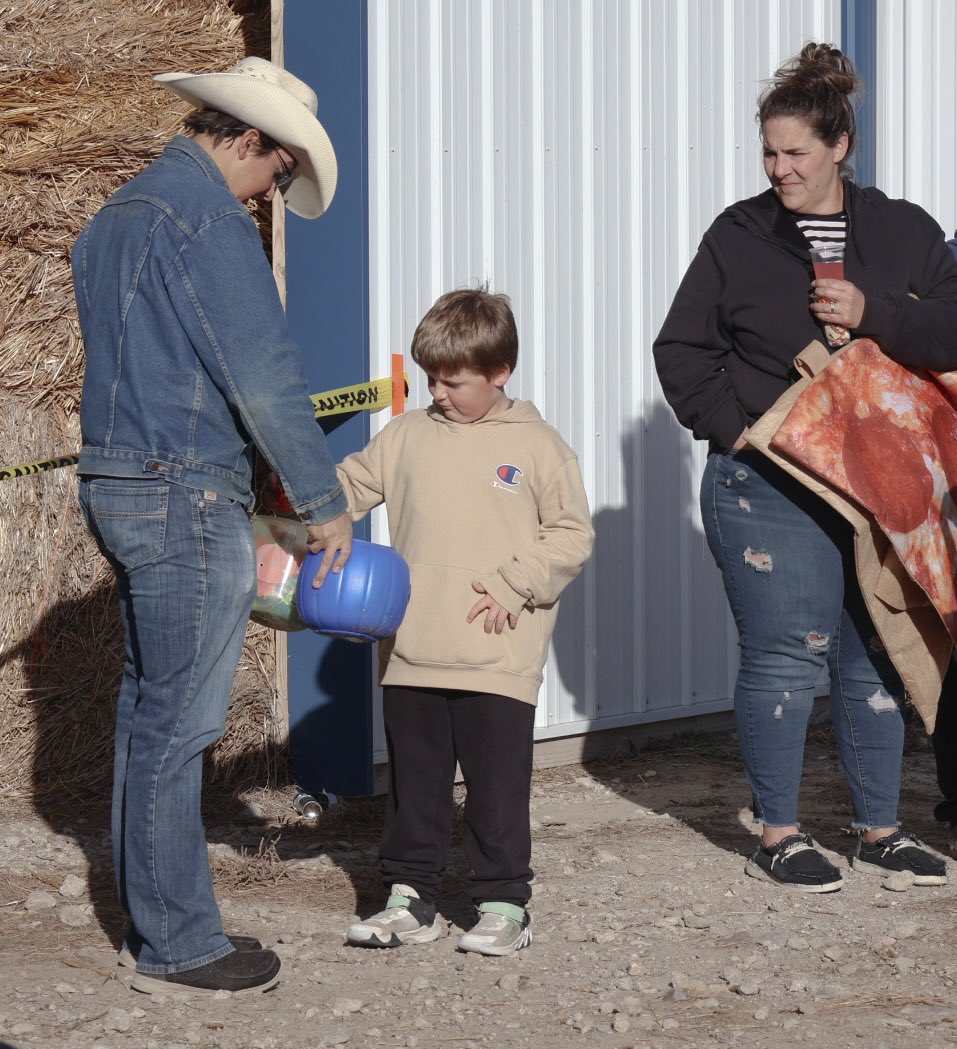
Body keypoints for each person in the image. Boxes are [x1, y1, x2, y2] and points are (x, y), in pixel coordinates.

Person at [72, 57, 353, 994]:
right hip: (183, 488)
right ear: (248, 139)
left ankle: (146, 918)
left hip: (115, 480)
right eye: (274, 173)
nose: (270, 194)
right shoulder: (207, 222)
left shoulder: (113, 219)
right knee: (179, 725)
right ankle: (180, 941)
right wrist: (322, 506)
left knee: (145, 712)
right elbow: (264, 375)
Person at [653, 43, 957, 893]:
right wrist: (740, 429)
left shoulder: (903, 230)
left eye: (795, 152)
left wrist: (875, 310)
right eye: (768, 153)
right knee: (786, 652)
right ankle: (779, 832)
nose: (778, 169)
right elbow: (680, 351)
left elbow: (951, 328)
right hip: (768, 486)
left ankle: (880, 830)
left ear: (839, 147)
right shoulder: (738, 234)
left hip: (876, 491)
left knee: (873, 653)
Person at [336, 289, 594, 954]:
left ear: (499, 372)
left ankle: (504, 903)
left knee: (494, 790)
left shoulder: (539, 447)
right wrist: (293, 488)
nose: (438, 393)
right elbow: (346, 489)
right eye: (430, 379)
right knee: (415, 788)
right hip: (411, 648)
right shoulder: (406, 436)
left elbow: (571, 536)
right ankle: (407, 899)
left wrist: (514, 583)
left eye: (453, 381)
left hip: (496, 653)